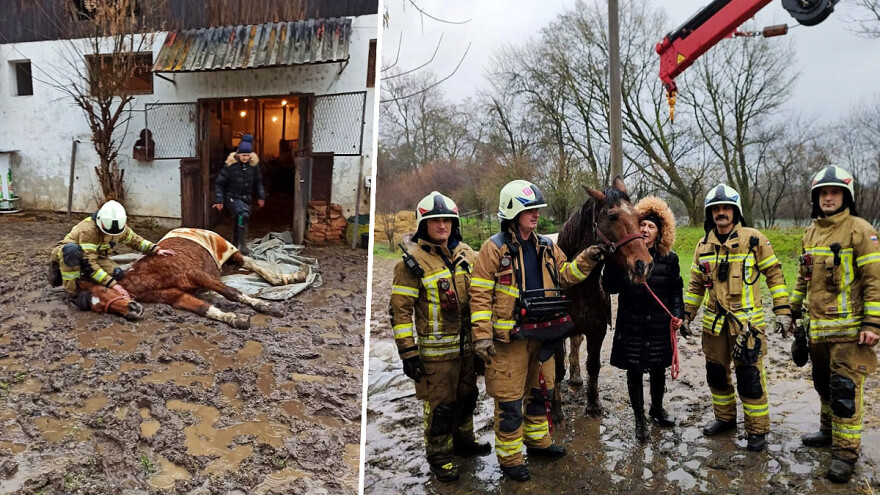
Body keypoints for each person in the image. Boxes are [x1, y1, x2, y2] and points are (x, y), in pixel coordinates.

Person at [469, 180, 604, 482]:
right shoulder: (493, 249)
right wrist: (481, 335)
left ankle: (538, 442)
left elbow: (567, 275)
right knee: (510, 402)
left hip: (543, 337)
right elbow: (478, 296)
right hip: (510, 340)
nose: (536, 215)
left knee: (538, 395)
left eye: (537, 210)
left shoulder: (546, 246)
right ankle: (510, 458)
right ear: (513, 211)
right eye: (530, 210)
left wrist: (586, 259)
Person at [388, 191, 490, 482]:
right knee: (441, 407)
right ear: (424, 225)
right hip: (436, 355)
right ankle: (440, 456)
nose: (442, 225)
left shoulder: (468, 255)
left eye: (447, 220)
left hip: (468, 349)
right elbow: (399, 312)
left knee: (468, 397)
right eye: (435, 221)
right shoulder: (410, 264)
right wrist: (408, 352)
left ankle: (464, 443)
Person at [682, 184, 791, 452]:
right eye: (716, 209)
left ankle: (757, 431)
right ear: (710, 213)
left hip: (748, 328)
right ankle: (725, 419)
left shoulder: (754, 239)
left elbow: (775, 275)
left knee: (750, 379)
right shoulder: (702, 245)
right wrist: (686, 315)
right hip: (714, 326)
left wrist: (783, 310)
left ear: (735, 211)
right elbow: (695, 285)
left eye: (726, 208)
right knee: (716, 375)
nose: (721, 213)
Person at [789, 165, 880, 483]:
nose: (828, 197)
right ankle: (827, 433)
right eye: (823, 193)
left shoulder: (860, 230)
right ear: (816, 197)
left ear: (846, 196)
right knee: (823, 386)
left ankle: (845, 454)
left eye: (834, 192)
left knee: (844, 393)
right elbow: (803, 278)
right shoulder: (811, 232)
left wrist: (872, 323)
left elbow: (874, 282)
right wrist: (791, 310)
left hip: (849, 334)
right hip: (818, 332)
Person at [602, 196, 683, 442]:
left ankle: (656, 408)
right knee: (634, 372)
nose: (646, 230)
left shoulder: (670, 260)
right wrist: (612, 263)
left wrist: (678, 315)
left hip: (659, 326)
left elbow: (676, 290)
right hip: (632, 325)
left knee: (659, 370)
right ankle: (639, 420)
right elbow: (610, 287)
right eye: (642, 225)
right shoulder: (623, 257)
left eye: (651, 227)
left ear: (660, 234)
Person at [48, 200, 175, 302]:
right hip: (69, 254)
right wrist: (114, 285)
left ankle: (84, 278)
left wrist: (155, 249)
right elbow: (89, 263)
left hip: (95, 256)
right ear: (101, 223)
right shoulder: (88, 230)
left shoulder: (119, 227)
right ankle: (71, 290)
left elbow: (136, 241)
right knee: (72, 251)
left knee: (118, 274)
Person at [213, 139, 265, 254]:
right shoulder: (230, 166)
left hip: (246, 198)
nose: (245, 158)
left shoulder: (253, 166)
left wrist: (261, 196)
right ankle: (243, 244)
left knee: (240, 219)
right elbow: (219, 183)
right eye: (243, 155)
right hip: (232, 197)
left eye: (247, 155)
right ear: (238, 154)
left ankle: (235, 245)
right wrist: (219, 199)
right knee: (243, 215)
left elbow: (258, 181)